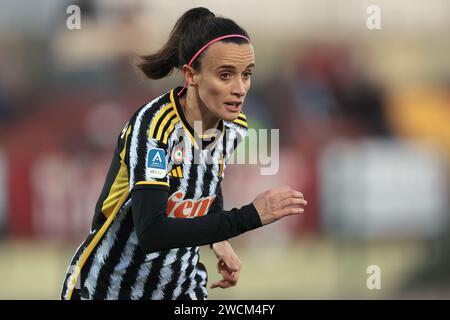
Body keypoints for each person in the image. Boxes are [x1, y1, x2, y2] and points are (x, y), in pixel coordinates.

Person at [61, 7, 307, 300]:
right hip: (108, 290)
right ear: (191, 75)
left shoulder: (234, 126)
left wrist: (219, 241)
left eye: (247, 75)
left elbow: (206, 186)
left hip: (180, 290)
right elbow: (152, 232)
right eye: (226, 75)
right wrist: (250, 216)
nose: (240, 88)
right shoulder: (153, 129)